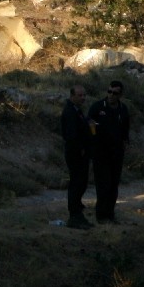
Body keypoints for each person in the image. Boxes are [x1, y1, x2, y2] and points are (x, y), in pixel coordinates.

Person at [88, 79, 131, 224]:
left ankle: (110, 214)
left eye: (115, 93)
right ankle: (101, 216)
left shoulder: (123, 109)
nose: (111, 95)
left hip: (116, 153)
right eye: (109, 92)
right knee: (103, 185)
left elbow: (126, 129)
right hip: (100, 153)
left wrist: (125, 142)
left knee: (113, 185)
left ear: (120, 95)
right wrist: (93, 135)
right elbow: (89, 124)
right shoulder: (98, 107)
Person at [60, 84, 93, 229]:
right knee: (77, 183)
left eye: (84, 95)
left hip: (80, 152)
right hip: (75, 153)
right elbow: (71, 135)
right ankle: (74, 215)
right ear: (72, 96)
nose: (83, 98)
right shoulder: (70, 112)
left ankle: (77, 214)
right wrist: (80, 149)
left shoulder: (76, 110)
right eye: (80, 95)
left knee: (81, 182)